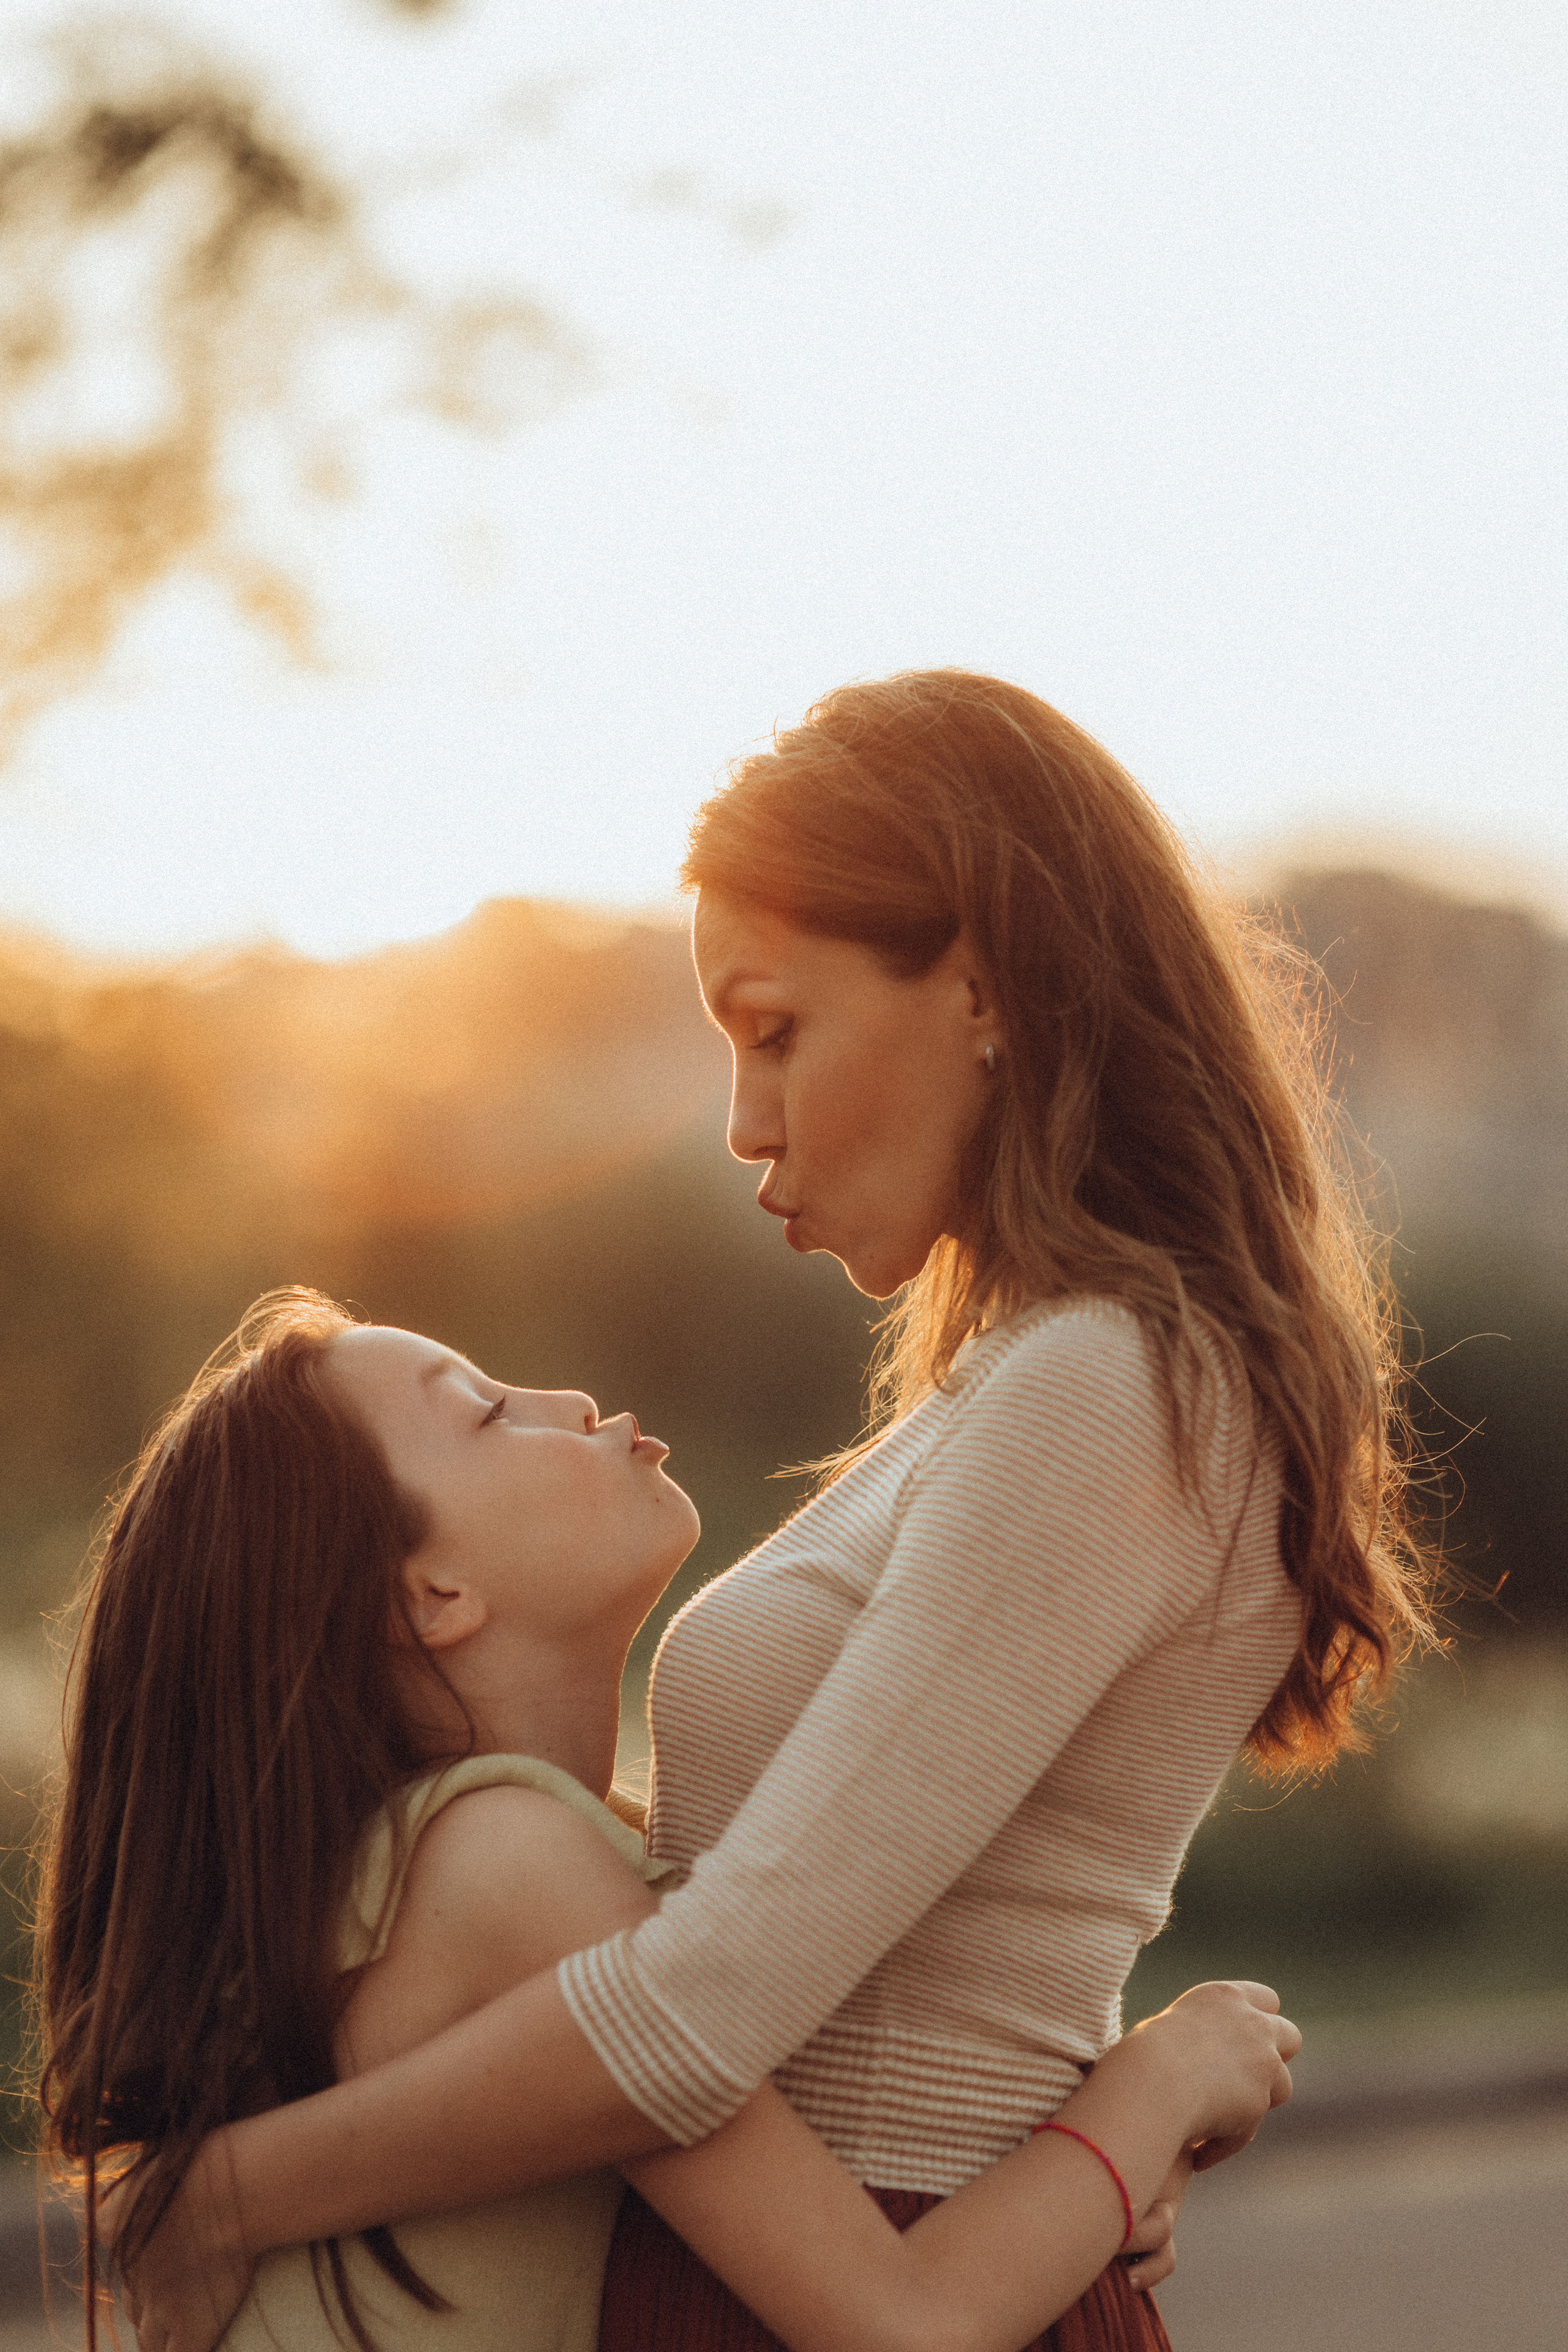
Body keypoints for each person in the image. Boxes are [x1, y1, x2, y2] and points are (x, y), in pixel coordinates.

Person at [106, 670, 1433, 2352]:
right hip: (834, 2255)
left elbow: (701, 2013)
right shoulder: (1026, 1387)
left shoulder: (1103, 1387)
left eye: (776, 1030)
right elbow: (822, 1899)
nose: (744, 1125)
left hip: (866, 2280)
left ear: (983, 983)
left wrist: (228, 2193)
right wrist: (1120, 2113)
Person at [40, 1291, 1297, 2352]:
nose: (572, 1403)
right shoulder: (511, 1870)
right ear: (431, 1595)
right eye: (485, 1412)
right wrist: (1156, 2086)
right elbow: (904, 2321)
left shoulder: (453, 1869)